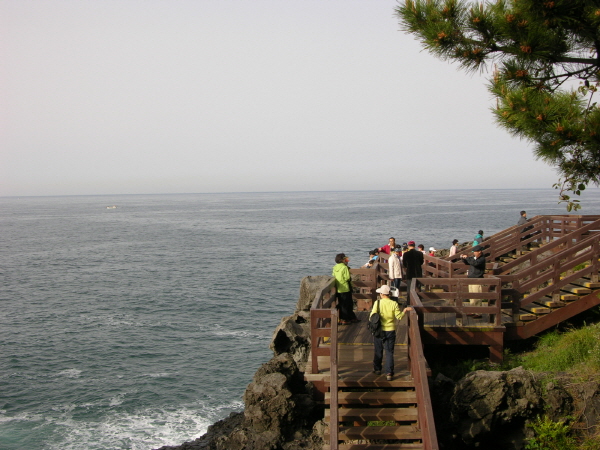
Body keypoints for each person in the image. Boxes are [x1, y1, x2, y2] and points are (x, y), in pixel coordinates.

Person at [370, 285, 413, 381]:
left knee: (378, 350)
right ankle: (389, 373)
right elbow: (399, 317)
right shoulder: (394, 304)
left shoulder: (377, 303)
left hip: (379, 330)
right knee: (389, 352)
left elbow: (371, 317)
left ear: (381, 294)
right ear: (388, 294)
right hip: (390, 330)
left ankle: (377, 369)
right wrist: (405, 310)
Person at [459, 246, 486, 318]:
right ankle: (472, 310)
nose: (474, 253)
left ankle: (478, 313)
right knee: (471, 297)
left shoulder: (482, 259)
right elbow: (468, 262)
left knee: (477, 296)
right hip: (471, 278)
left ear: (479, 251)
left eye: (475, 252)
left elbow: (475, 263)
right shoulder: (474, 258)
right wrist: (463, 258)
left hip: (477, 279)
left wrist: (467, 258)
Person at [332, 253, 359, 324]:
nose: (346, 260)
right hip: (345, 288)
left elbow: (333, 275)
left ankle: (346, 318)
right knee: (348, 304)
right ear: (342, 260)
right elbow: (347, 278)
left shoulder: (335, 267)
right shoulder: (344, 267)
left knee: (342, 304)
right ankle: (346, 319)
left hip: (338, 288)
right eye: (345, 259)